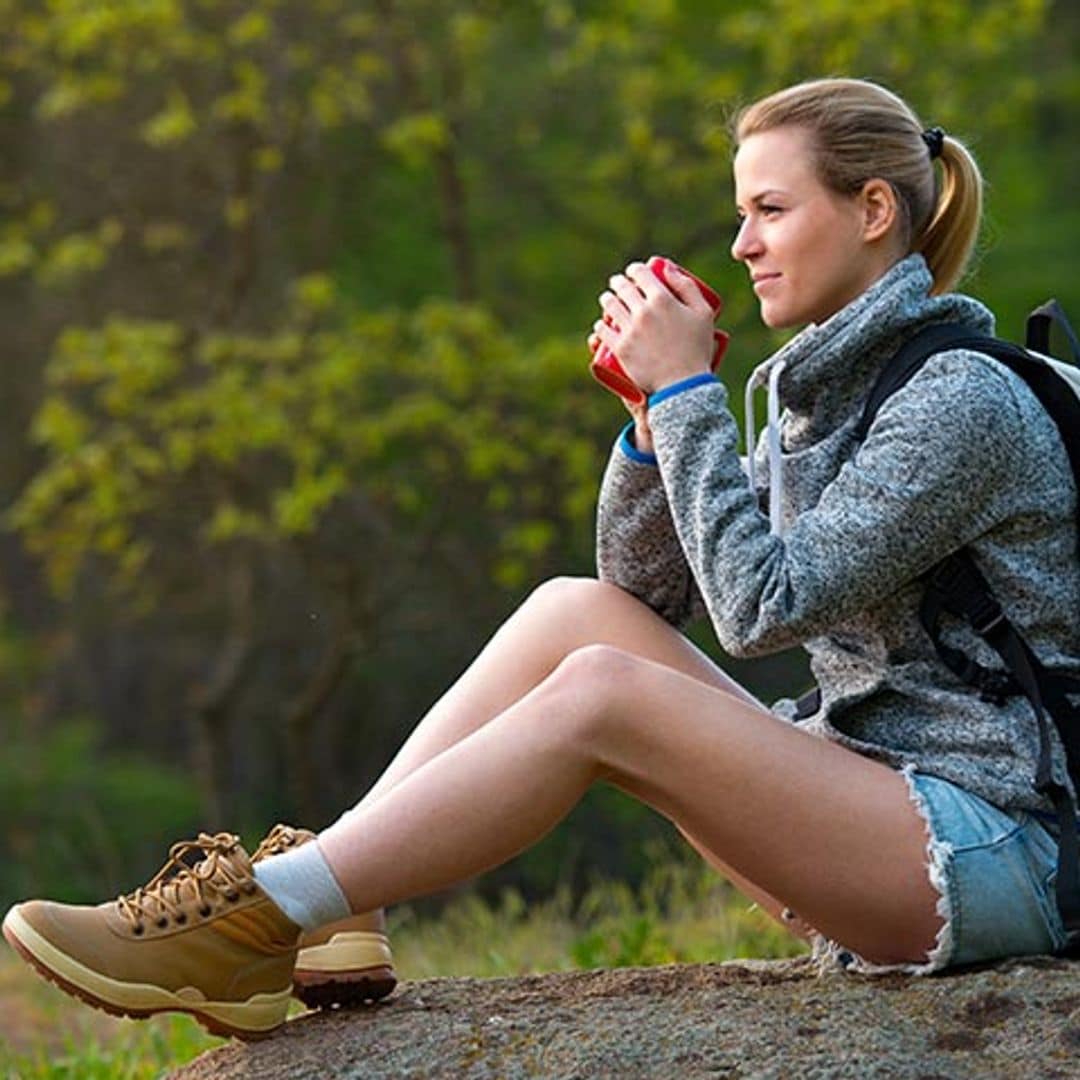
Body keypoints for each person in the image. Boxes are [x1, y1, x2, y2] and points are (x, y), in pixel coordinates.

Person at [4, 77, 1078, 1040]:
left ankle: (259, 913)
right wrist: (652, 431)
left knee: (606, 694)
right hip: (871, 810)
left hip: (1002, 850)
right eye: (739, 213)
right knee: (576, 617)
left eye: (771, 210)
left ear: (874, 211)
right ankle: (341, 907)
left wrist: (687, 395)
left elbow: (760, 610)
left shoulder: (959, 400)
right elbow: (645, 593)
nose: (742, 243)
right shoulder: (823, 394)